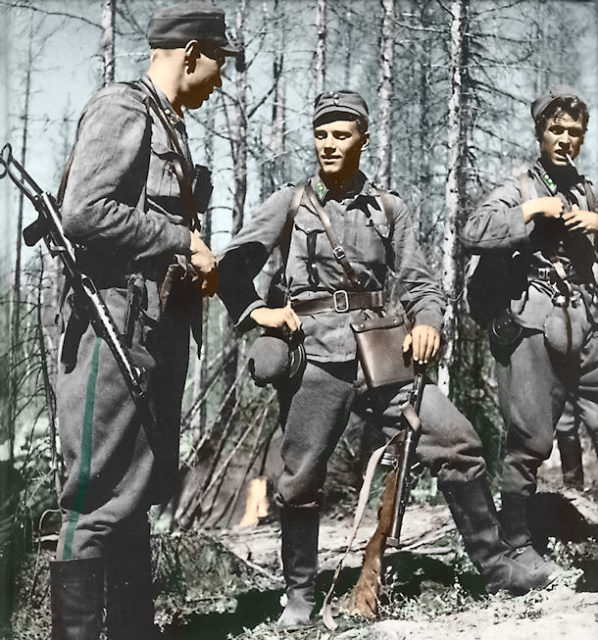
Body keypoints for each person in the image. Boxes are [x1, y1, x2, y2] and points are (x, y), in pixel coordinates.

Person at [218, 90, 556, 628]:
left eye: (341, 134)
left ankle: (496, 568)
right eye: (321, 133)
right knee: (300, 479)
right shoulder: (291, 202)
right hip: (315, 357)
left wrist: (426, 322)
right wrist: (259, 313)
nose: (328, 144)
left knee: (457, 441)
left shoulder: (389, 208)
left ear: (363, 140)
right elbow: (233, 264)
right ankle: (301, 599)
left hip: (382, 352)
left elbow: (420, 283)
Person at [51, 3, 237, 639]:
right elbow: (83, 212)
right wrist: (181, 239)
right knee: (97, 500)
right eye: (218, 64)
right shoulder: (123, 108)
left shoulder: (170, 125)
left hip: (152, 332)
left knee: (133, 499)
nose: (220, 80)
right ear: (190, 54)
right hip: (113, 329)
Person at [462, 85, 598, 571]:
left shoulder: (587, 191)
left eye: (574, 133)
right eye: (556, 130)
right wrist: (530, 212)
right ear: (540, 132)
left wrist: (595, 222)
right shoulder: (517, 187)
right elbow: (472, 232)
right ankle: (517, 545)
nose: (565, 139)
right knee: (531, 438)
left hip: (585, 320)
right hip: (531, 322)